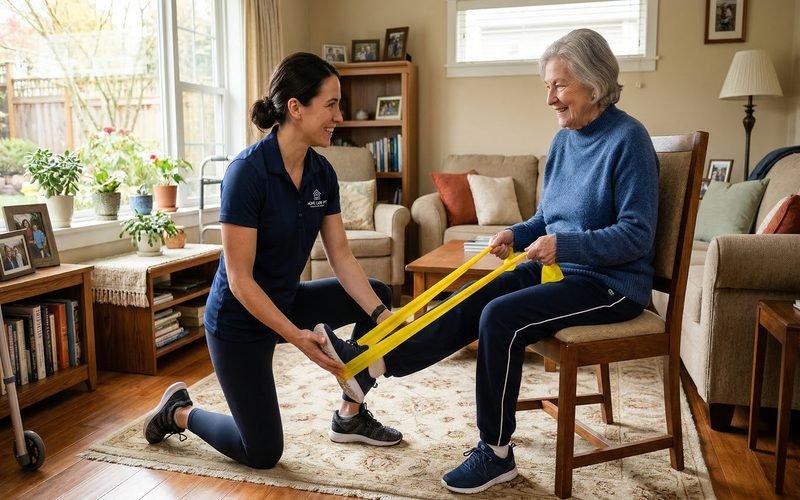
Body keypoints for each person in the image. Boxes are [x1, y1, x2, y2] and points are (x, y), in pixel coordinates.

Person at [315, 28, 659, 494]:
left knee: (500, 318)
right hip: (560, 271)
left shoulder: (629, 140)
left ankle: (496, 454)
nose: (550, 99)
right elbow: (548, 217)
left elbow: (637, 236)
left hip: (610, 285)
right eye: (547, 86)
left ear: (594, 83)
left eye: (559, 86)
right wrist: (516, 233)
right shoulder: (562, 142)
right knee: (473, 295)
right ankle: (373, 366)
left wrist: (565, 246)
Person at [141, 52, 402, 470]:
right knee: (262, 452)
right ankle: (178, 411)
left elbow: (341, 256)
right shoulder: (248, 173)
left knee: (379, 293)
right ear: (296, 108)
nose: (340, 115)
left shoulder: (322, 173)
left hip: (285, 298)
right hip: (239, 322)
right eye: (331, 104)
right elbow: (241, 282)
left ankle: (349, 415)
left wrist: (380, 313)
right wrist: (298, 338)